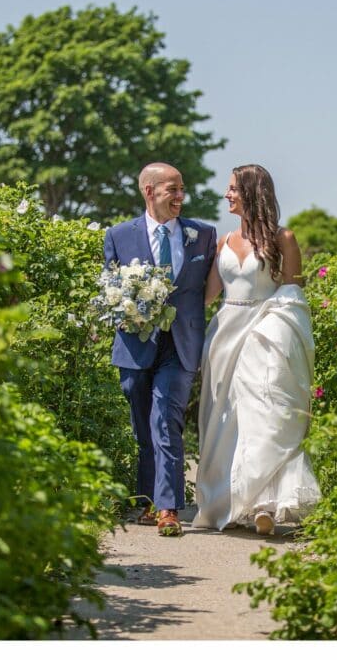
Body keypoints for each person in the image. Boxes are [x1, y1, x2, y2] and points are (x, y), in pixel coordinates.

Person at [192, 164, 321, 535]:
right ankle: (228, 502)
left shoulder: (284, 239)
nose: (227, 195)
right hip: (225, 335)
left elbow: (293, 294)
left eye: (233, 188)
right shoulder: (223, 242)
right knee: (224, 420)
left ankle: (265, 502)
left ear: (251, 192)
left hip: (265, 332)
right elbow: (208, 296)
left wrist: (278, 334)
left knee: (265, 413)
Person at [104, 162, 217, 536]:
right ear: (149, 192)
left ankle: (169, 508)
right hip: (135, 346)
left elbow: (207, 289)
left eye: (182, 189)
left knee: (165, 420)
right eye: (173, 189)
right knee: (143, 426)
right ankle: (147, 502)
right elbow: (110, 292)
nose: (181, 196)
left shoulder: (202, 235)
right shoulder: (119, 235)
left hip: (181, 344)